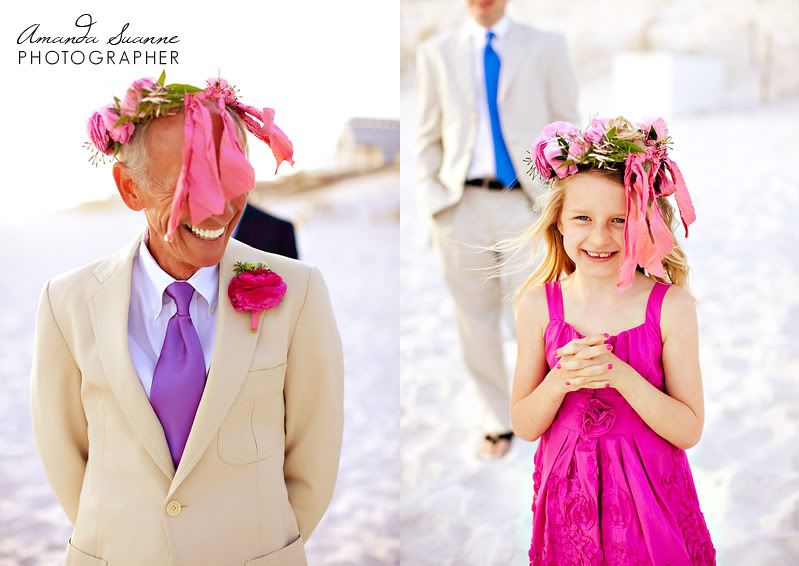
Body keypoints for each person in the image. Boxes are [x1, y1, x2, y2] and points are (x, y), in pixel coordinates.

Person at [29, 73, 343, 566]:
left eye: (228, 175)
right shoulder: (66, 302)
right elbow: (66, 457)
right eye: (188, 182)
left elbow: (313, 459)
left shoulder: (299, 293)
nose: (216, 205)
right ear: (130, 188)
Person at [510, 116, 716, 563]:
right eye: (582, 218)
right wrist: (561, 379)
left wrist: (620, 376)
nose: (599, 236)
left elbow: (689, 428)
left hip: (651, 503)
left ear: (642, 223)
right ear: (559, 223)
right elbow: (525, 425)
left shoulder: (671, 307)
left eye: (619, 220)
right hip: (570, 502)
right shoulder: (538, 306)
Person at [416, 0, 579, 457]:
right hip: (460, 206)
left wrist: (560, 201)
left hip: (526, 205)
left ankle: (550, 409)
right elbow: (427, 137)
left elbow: (569, 128)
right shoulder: (436, 53)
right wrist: (434, 202)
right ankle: (496, 417)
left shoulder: (547, 46)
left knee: (536, 314)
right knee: (474, 320)